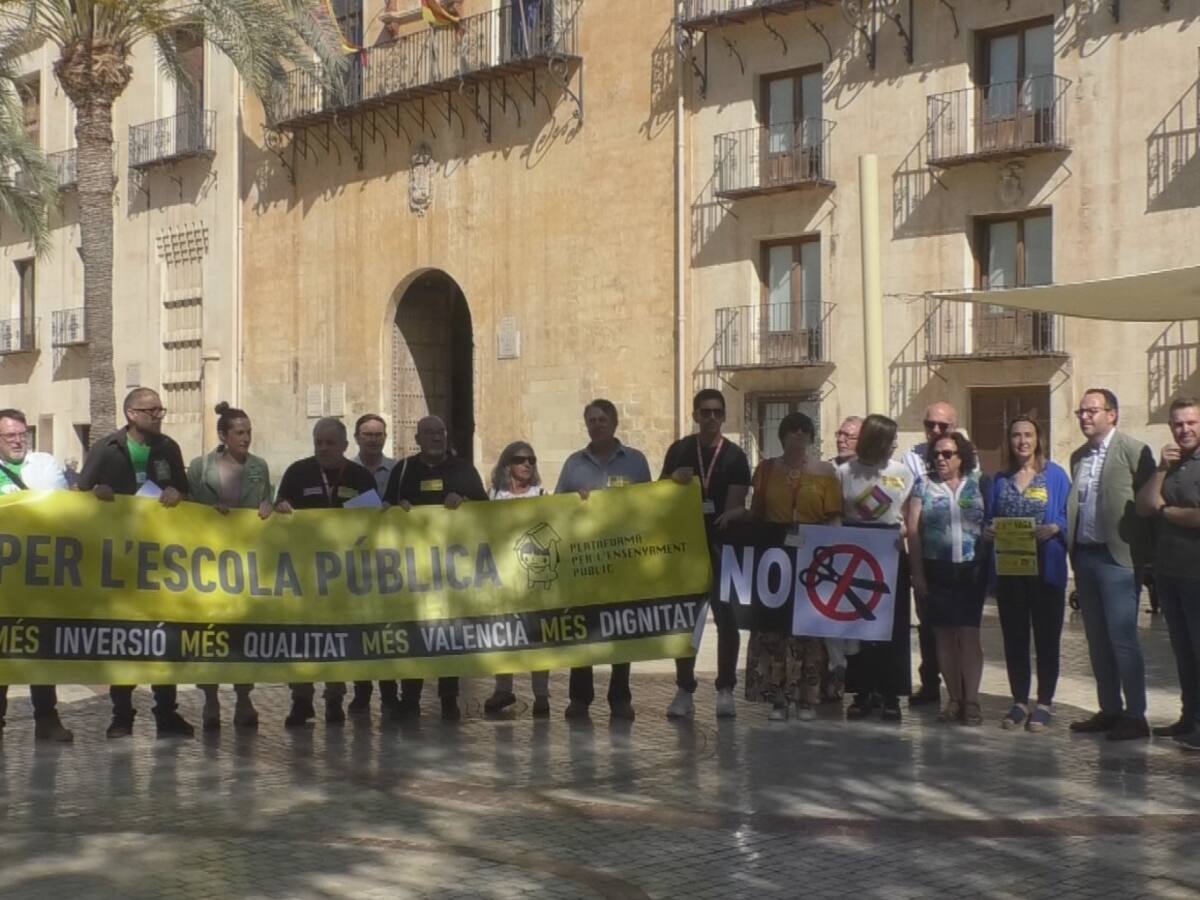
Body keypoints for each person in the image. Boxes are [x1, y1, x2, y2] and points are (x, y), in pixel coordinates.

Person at [77, 387, 195, 738]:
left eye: (161, 409)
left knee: (165, 637)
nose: (159, 415)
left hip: (161, 561)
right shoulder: (107, 448)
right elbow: (79, 494)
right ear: (131, 414)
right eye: (152, 410)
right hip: (120, 564)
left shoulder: (168, 448)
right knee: (124, 639)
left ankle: (166, 713)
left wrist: (179, 494)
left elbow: (186, 492)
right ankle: (122, 714)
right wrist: (96, 495)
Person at [275, 417, 379, 728]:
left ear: (345, 446)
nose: (323, 448)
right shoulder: (298, 472)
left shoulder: (360, 476)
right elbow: (280, 506)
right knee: (302, 639)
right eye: (319, 442)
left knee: (337, 639)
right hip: (303, 577)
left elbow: (373, 523)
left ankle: (335, 699)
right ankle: (301, 700)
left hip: (344, 577)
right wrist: (279, 507)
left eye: (330, 443)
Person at [383, 415, 488, 721]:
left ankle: (448, 698)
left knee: (449, 633)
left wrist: (466, 500)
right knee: (413, 629)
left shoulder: (463, 469)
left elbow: (485, 509)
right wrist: (397, 507)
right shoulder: (403, 470)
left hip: (453, 568)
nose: (435, 437)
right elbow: (385, 507)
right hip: (412, 569)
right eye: (428, 433)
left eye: (440, 432)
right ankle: (410, 696)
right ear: (417, 439)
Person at [1067, 388, 1156, 741]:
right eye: (1081, 412)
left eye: (1092, 411)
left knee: (1123, 640)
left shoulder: (1134, 451)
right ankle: (1109, 709)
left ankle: (1136, 715)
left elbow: (1150, 507)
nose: (1085, 417)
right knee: (1096, 640)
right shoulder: (1078, 457)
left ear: (1112, 414)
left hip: (1119, 558)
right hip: (1086, 557)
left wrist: (1149, 557)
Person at [554, 399, 652, 721]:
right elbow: (555, 508)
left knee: (621, 630)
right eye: (591, 420)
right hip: (584, 562)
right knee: (584, 629)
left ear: (614, 422)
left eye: (602, 419)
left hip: (624, 561)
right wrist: (572, 501)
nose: (597, 424)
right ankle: (579, 698)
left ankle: (620, 698)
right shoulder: (573, 465)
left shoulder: (636, 462)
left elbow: (652, 505)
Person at [660, 389, 751, 720]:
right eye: (705, 412)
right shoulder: (680, 450)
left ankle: (726, 688)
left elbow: (737, 502)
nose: (711, 418)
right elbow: (659, 495)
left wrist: (733, 513)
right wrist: (673, 480)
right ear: (695, 415)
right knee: (685, 621)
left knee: (727, 619)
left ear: (724, 416)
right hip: (685, 550)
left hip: (723, 547)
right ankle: (684, 688)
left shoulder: (735, 456)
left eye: (717, 412)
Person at [744, 412, 840, 721]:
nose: (798, 436)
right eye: (792, 431)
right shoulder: (766, 469)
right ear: (782, 436)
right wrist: (736, 516)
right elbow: (756, 513)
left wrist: (834, 551)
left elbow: (833, 516)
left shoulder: (827, 472)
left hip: (813, 559)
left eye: (804, 431)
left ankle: (806, 697)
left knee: (808, 631)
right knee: (775, 630)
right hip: (775, 559)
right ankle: (778, 698)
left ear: (811, 437)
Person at [186, 402, 274, 731]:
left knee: (243, 632)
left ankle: (244, 697)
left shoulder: (259, 466)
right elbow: (187, 506)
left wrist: (269, 506)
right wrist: (208, 511)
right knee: (210, 634)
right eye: (239, 432)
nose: (246, 438)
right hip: (208, 562)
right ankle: (209, 698)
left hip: (247, 564)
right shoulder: (200, 467)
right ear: (224, 435)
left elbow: (267, 498)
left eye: (249, 432)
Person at [986, 416, 1070, 732]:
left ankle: (1045, 703)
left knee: (1047, 639)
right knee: (1015, 638)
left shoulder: (1055, 476)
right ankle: (1019, 700)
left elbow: (1068, 514)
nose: (1022, 441)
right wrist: (988, 532)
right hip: (1010, 572)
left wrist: (1056, 527)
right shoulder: (1000, 479)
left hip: (1045, 571)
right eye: (1016, 435)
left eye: (1028, 435)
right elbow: (991, 516)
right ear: (1009, 441)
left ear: (1039, 439)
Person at [0, 408, 74, 743]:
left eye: (21, 434)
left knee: (40, 649)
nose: (17, 441)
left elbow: (59, 506)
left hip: (39, 576)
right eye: (9, 436)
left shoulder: (44, 464)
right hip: (4, 581)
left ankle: (47, 718)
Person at [908, 432, 989, 726]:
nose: (941, 459)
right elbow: (913, 531)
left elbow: (992, 520)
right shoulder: (923, 485)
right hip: (936, 568)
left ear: (961, 456)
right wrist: (917, 573)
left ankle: (972, 700)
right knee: (943, 636)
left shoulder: (980, 483)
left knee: (968, 635)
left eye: (948, 454)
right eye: (937, 454)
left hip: (971, 568)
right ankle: (954, 697)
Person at [838, 414, 914, 723]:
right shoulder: (843, 472)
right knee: (857, 625)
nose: (894, 445)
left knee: (892, 627)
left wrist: (904, 535)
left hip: (889, 553)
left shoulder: (902, 473)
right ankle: (861, 691)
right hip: (855, 550)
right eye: (889, 439)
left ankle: (891, 693)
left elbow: (908, 516)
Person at [1136, 397, 1200, 750]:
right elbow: (1145, 505)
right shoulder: (1172, 464)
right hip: (1169, 572)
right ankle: (1188, 717)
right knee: (1182, 650)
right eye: (1178, 424)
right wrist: (1160, 469)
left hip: (1197, 573)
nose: (1184, 430)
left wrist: (1166, 512)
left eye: (1191, 422)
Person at [483, 441, 553, 717]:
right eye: (520, 459)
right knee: (504, 634)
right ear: (507, 464)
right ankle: (503, 689)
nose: (526, 464)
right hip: (502, 577)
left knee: (538, 636)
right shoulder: (494, 496)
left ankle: (541, 695)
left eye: (531, 460)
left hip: (534, 575)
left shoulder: (543, 494)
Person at [902, 401, 958, 706]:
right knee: (927, 624)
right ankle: (930, 683)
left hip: (960, 555)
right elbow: (906, 501)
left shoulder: (968, 458)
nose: (935, 431)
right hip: (924, 551)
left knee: (960, 626)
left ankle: (961, 689)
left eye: (942, 426)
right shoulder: (911, 459)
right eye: (929, 424)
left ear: (954, 426)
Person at [349, 413, 399, 716]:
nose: (373, 439)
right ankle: (362, 691)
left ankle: (390, 692)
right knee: (361, 628)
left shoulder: (397, 469)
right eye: (367, 434)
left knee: (390, 628)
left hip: (392, 560)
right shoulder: (347, 471)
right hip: (355, 560)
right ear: (356, 438)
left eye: (378, 434)